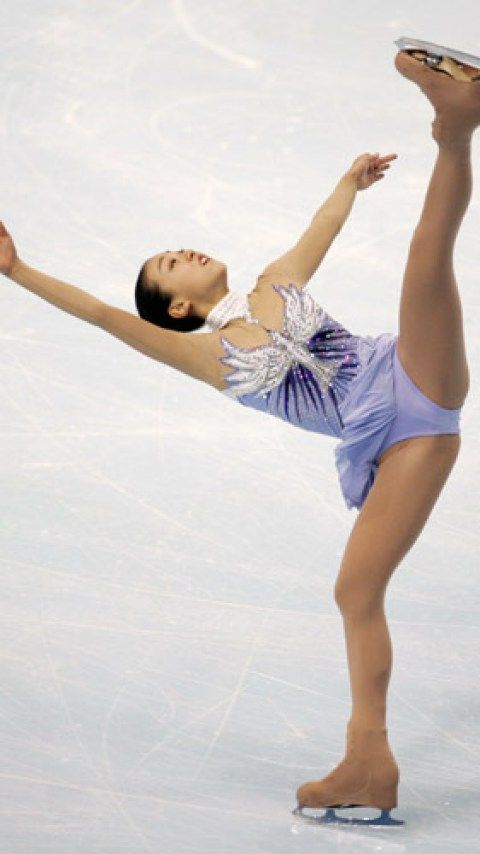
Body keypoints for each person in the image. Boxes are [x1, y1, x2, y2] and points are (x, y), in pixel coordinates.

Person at [1, 47, 478, 825]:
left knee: (428, 255)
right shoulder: (204, 355)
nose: (185, 250)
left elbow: (320, 229)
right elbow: (103, 314)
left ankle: (455, 124)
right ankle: (368, 760)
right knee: (355, 592)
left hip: (411, 374)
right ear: (177, 308)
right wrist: (18, 271)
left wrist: (349, 182)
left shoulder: (275, 281)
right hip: (396, 447)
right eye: (171, 263)